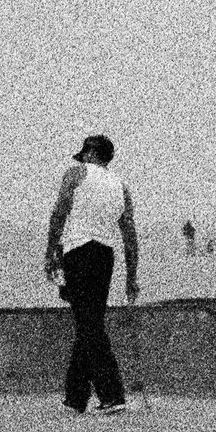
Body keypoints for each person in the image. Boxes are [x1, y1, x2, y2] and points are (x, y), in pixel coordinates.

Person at [43, 132, 140, 414]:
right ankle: (75, 399)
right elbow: (130, 234)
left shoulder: (76, 174)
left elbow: (59, 213)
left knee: (90, 326)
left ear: (88, 154)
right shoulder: (121, 185)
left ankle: (113, 396)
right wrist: (132, 276)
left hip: (78, 253)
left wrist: (50, 252)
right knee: (89, 322)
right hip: (104, 257)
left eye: (84, 153)